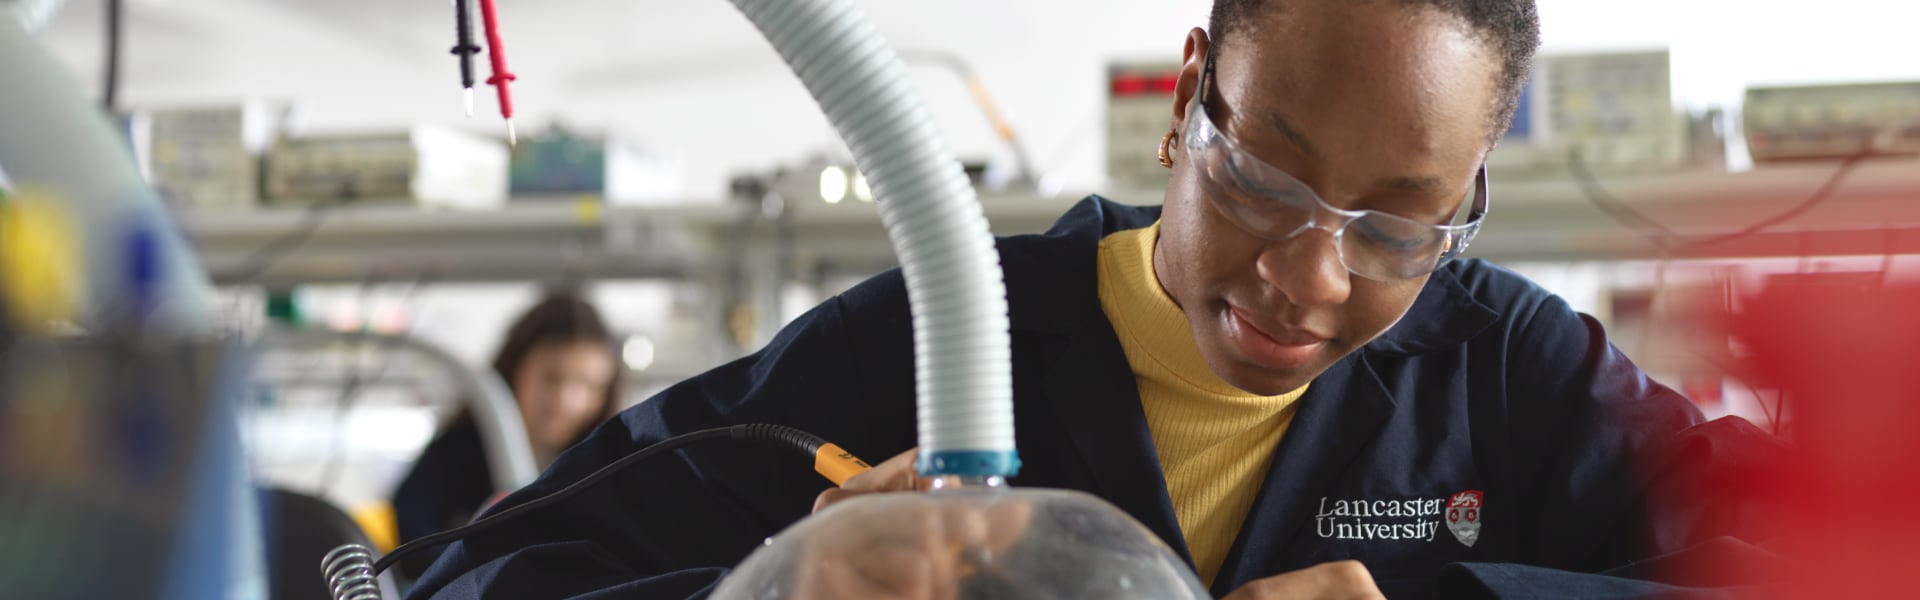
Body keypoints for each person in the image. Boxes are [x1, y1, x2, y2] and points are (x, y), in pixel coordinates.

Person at [408, 1, 1778, 598]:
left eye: (1399, 224)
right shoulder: (945, 337)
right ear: (1190, 98)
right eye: (1266, 177)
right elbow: (477, 579)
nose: (1309, 277)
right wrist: (769, 595)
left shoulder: (1509, 375)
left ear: (1472, 190)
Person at [389, 292, 623, 581]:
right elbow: (412, 543)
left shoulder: (606, 469)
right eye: (551, 377)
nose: (567, 401)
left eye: (590, 385)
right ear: (514, 368)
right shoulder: (454, 453)